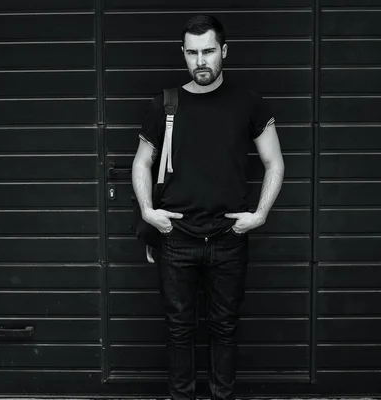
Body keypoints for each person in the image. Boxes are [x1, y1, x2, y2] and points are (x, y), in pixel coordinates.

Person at [131, 14, 285, 400]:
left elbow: (275, 162)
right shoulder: (164, 104)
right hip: (176, 237)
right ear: (183, 55)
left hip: (228, 237)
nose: (201, 60)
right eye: (193, 52)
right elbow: (141, 163)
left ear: (224, 52)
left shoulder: (248, 103)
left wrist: (260, 215)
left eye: (209, 51)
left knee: (224, 327)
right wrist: (149, 213)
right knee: (179, 329)